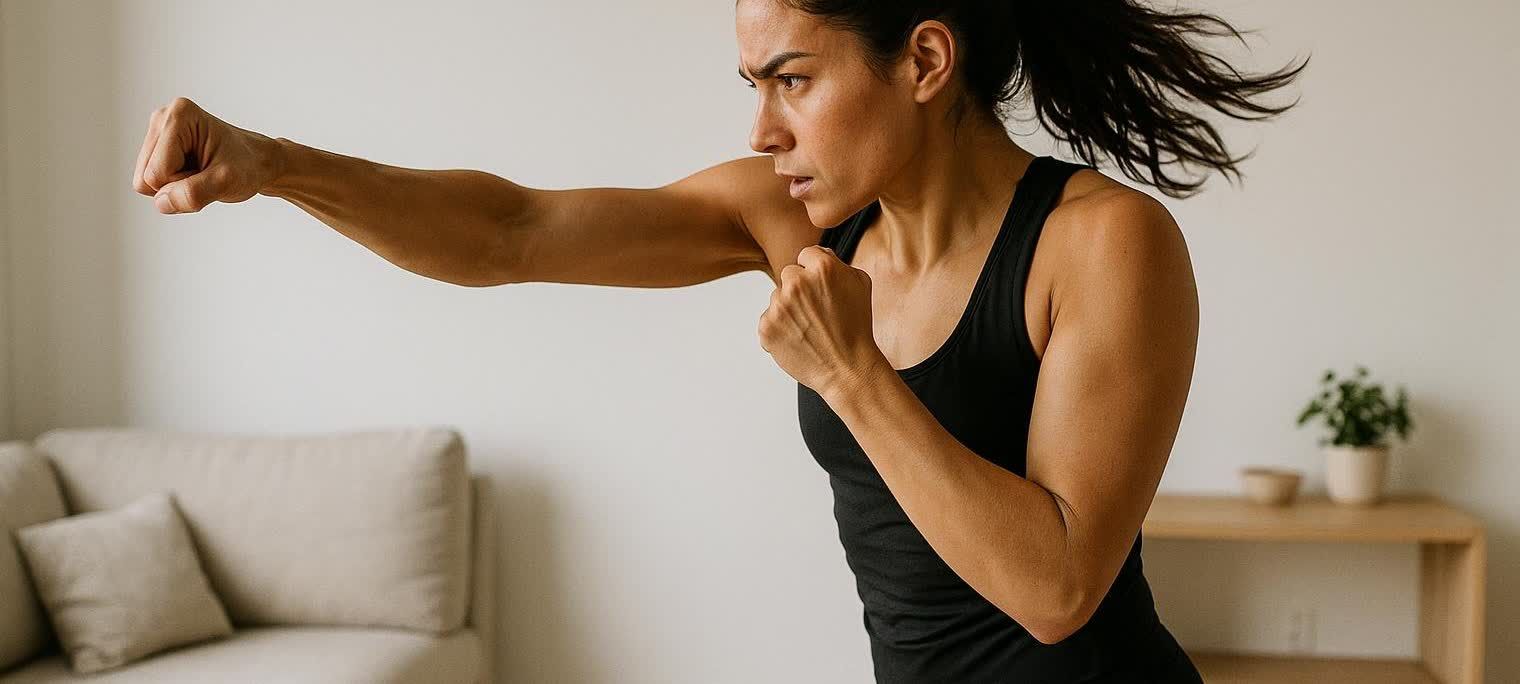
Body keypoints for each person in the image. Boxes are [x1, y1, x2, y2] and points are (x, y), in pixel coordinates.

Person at [131, 1, 1306, 681]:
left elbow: (1055, 589)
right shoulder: (793, 217)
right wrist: (274, 165)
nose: (760, 124)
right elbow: (510, 232)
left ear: (924, 61)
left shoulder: (1101, 244)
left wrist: (854, 377)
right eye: (752, 82)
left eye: (791, 78)